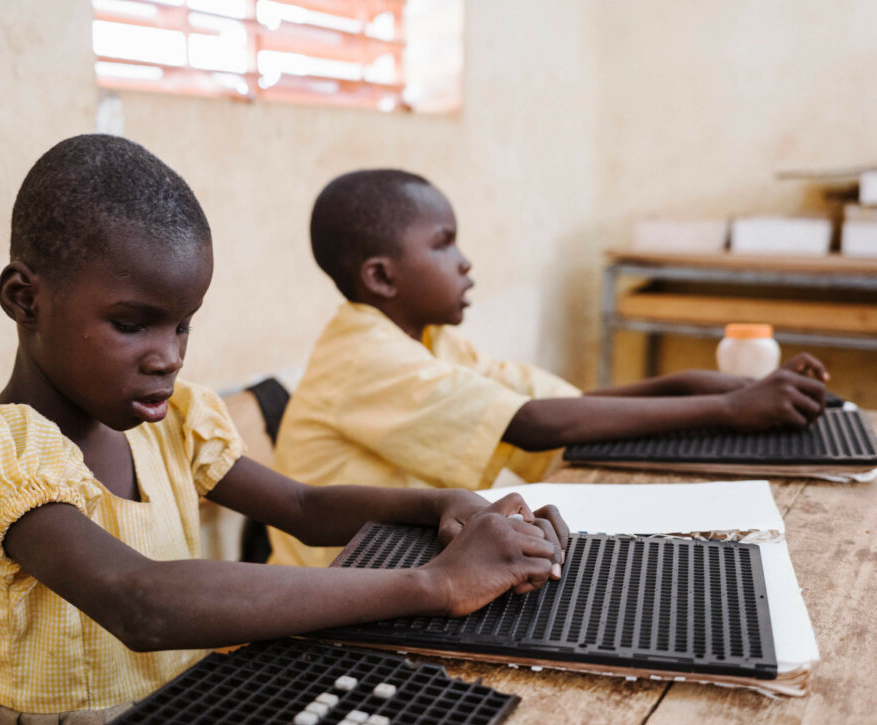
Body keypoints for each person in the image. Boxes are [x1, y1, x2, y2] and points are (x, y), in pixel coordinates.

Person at [0, 137, 568, 725]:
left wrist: (442, 504)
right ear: (24, 299)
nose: (168, 356)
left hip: (178, 717)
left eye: (182, 324)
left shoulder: (170, 423)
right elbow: (139, 601)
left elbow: (301, 504)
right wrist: (435, 584)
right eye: (132, 324)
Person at [269, 168, 828, 568]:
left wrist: (693, 384)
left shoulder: (429, 342)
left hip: (399, 564)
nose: (465, 262)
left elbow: (557, 406)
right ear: (382, 278)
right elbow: (532, 425)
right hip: (334, 587)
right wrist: (728, 408)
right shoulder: (368, 357)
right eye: (444, 244)